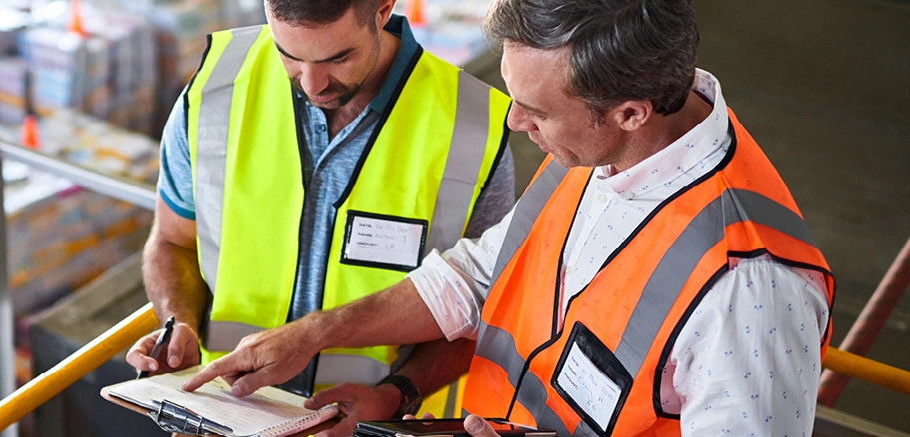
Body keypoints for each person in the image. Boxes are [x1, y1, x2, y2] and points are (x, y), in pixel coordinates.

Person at [182, 0, 836, 435]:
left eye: (536, 110)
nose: (515, 122)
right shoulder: (595, 146)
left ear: (631, 111)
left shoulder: (751, 285)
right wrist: (318, 334)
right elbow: (477, 277)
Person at [124, 0, 518, 433]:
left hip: (366, 426)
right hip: (216, 414)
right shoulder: (217, 85)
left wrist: (394, 394)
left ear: (383, 9)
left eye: (338, 57)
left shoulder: (473, 128)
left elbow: (481, 308)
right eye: (288, 54)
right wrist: (175, 323)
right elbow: (173, 240)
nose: (312, 83)